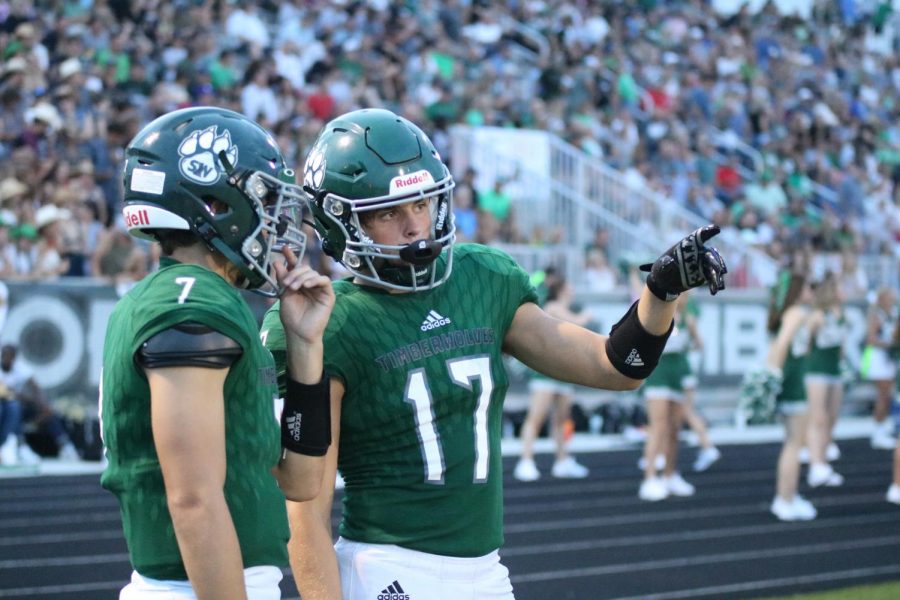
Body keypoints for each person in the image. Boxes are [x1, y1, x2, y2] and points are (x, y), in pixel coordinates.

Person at [261, 108, 727, 600]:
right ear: (341, 222)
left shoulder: (482, 278)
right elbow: (306, 507)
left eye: (421, 203)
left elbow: (615, 367)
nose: (414, 226)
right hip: (388, 569)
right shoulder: (330, 320)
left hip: (485, 573)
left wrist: (660, 291)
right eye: (387, 213)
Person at [99, 107, 335, 600]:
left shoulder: (205, 298)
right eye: (265, 199)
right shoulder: (191, 302)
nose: (276, 220)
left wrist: (305, 346)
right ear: (215, 202)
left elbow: (301, 480)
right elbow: (194, 500)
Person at [513, 277, 593, 482]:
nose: (573, 289)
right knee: (536, 417)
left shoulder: (564, 307)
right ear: (562, 289)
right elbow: (577, 323)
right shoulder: (552, 306)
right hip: (545, 371)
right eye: (569, 286)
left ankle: (562, 460)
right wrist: (586, 315)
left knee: (561, 419)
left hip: (563, 371)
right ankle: (526, 460)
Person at [637, 294, 699, 501]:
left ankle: (670, 475)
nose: (686, 297)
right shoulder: (660, 312)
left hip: (678, 373)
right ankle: (649, 478)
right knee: (658, 427)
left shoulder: (688, 315)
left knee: (674, 429)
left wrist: (691, 328)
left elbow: (698, 345)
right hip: (659, 372)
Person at [766, 271, 817, 522]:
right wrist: (771, 377)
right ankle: (784, 499)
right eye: (809, 286)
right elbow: (781, 345)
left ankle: (789, 495)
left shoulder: (796, 314)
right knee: (794, 444)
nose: (812, 291)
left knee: (795, 443)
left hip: (793, 382)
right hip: (793, 385)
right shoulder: (796, 313)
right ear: (798, 291)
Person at [0, 343, 80, 464]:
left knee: (49, 413)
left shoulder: (20, 368)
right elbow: (7, 394)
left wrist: (44, 406)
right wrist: (26, 398)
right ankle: (11, 444)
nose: (7, 359)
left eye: (10, 356)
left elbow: (36, 389)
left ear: (15, 357)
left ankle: (65, 445)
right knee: (14, 407)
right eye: (5, 355)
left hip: (22, 406)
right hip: (6, 407)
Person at [803, 273, 848, 488]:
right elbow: (806, 345)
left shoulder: (841, 314)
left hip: (834, 371)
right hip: (817, 371)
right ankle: (815, 464)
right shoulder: (817, 316)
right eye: (840, 287)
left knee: (831, 418)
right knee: (818, 418)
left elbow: (842, 347)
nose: (844, 291)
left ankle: (823, 460)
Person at [862, 287, 898, 450]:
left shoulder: (890, 315)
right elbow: (870, 339)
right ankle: (878, 431)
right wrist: (890, 344)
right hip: (877, 359)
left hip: (887, 360)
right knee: (883, 396)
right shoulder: (877, 316)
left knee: (887, 395)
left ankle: (883, 427)